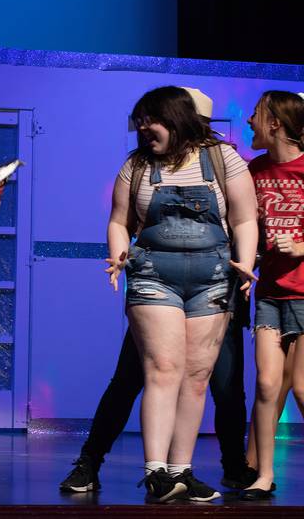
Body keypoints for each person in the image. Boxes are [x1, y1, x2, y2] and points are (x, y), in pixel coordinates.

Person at [60, 88, 255, 494]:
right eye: (140, 121)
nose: (144, 128)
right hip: (154, 276)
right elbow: (119, 220)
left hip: (212, 279)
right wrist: (118, 254)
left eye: (152, 119)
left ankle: (181, 471)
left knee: (197, 377)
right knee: (161, 370)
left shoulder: (223, 159)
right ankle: (155, 472)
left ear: (178, 118)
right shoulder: (136, 165)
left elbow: (245, 218)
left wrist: (247, 262)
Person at [241, 91, 304, 500]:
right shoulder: (256, 170)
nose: (249, 121)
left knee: (301, 387)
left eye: (256, 115)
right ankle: (262, 475)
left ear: (276, 123)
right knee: (266, 384)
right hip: (269, 294)